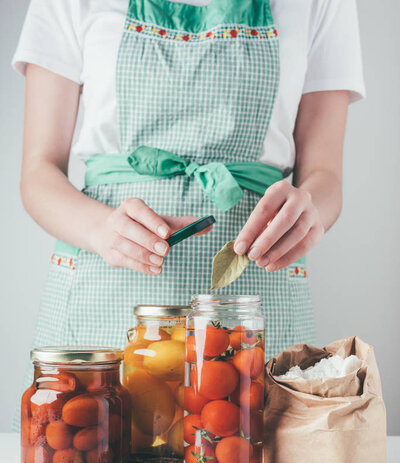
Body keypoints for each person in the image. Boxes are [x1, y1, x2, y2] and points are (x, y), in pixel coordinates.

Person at [12, 0, 364, 426]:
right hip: (104, 289)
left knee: (251, 460)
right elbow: (38, 172)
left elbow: (324, 176)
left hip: (252, 297)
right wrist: (101, 229)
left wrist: (311, 212)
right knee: (90, 449)